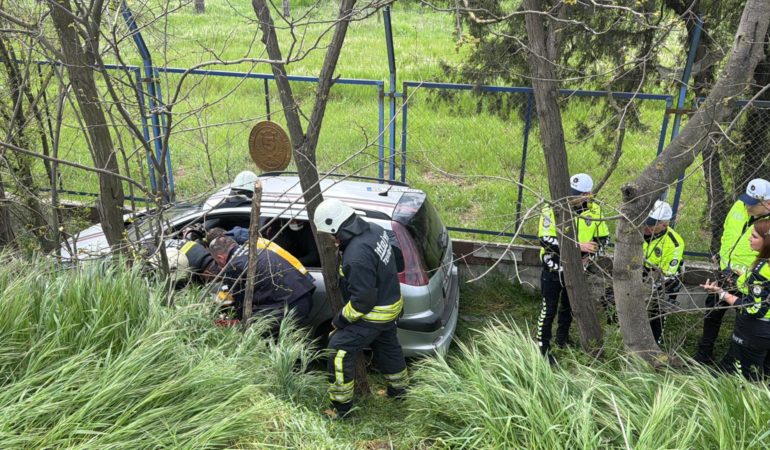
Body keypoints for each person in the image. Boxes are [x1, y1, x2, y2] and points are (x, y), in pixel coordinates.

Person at [313, 198, 408, 418]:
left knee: (338, 350)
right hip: (392, 303)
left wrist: (339, 321)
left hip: (374, 313)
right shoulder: (375, 230)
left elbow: (362, 302)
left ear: (336, 228)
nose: (331, 239)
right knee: (388, 347)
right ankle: (399, 391)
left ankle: (341, 409)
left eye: (330, 234)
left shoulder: (356, 256)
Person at [695, 178, 770, 364]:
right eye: (746, 200)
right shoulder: (740, 205)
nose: (746, 205)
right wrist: (722, 260)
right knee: (712, 310)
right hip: (725, 271)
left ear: (767, 203)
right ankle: (704, 354)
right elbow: (727, 233)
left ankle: (733, 361)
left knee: (745, 318)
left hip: (750, 279)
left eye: (752, 204)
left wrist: (746, 274)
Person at [537, 173, 609, 357]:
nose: (570, 197)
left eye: (575, 194)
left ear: (587, 195)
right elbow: (546, 240)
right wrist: (577, 247)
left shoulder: (595, 211)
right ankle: (542, 348)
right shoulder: (551, 207)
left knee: (569, 307)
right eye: (570, 192)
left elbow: (604, 239)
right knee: (548, 309)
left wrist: (590, 257)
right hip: (553, 267)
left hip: (579, 269)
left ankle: (562, 339)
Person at [701, 218, 770, 380]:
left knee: (743, 376)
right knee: (764, 372)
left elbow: (754, 308)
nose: (749, 239)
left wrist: (722, 293)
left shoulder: (762, 271)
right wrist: (744, 277)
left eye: (754, 236)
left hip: (755, 331)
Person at [208, 235, 316, 330]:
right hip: (304, 297)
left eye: (218, 263)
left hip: (288, 306)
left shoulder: (233, 266)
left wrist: (232, 320)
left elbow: (241, 307)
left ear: (220, 258)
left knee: (251, 326)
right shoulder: (260, 250)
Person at [642, 200, 685, 344]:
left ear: (664, 225)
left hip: (664, 280)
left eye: (651, 224)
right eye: (646, 221)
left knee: (659, 310)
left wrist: (646, 290)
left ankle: (655, 343)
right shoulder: (635, 231)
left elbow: (667, 275)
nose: (646, 226)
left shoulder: (674, 243)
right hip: (639, 273)